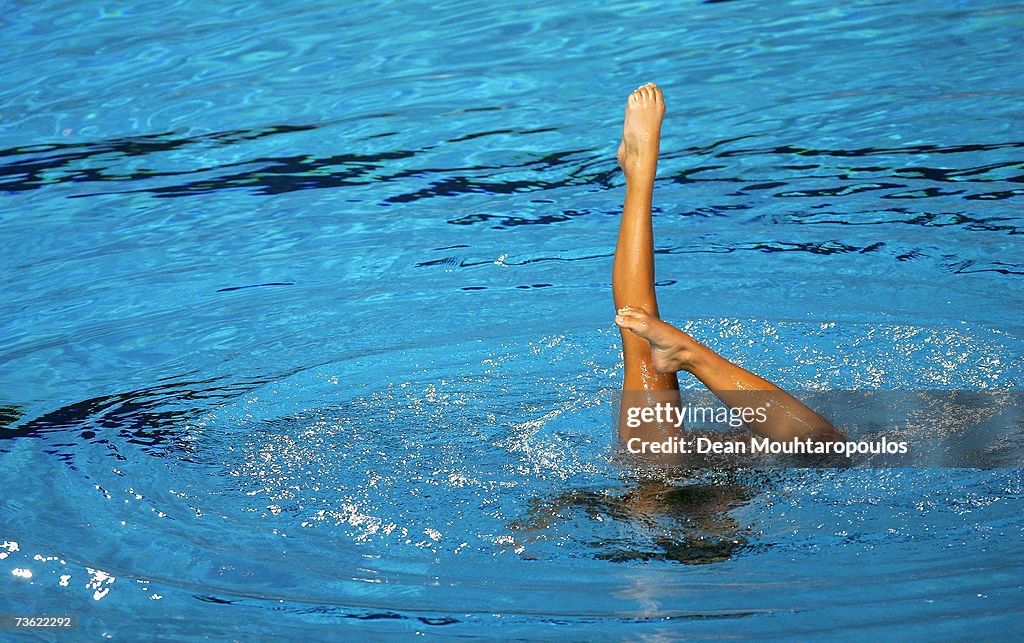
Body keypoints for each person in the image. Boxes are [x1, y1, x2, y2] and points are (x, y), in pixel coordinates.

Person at [610, 83, 845, 451]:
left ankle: (639, 174)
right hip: (702, 479)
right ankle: (639, 174)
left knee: (829, 449)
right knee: (637, 337)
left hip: (697, 481)